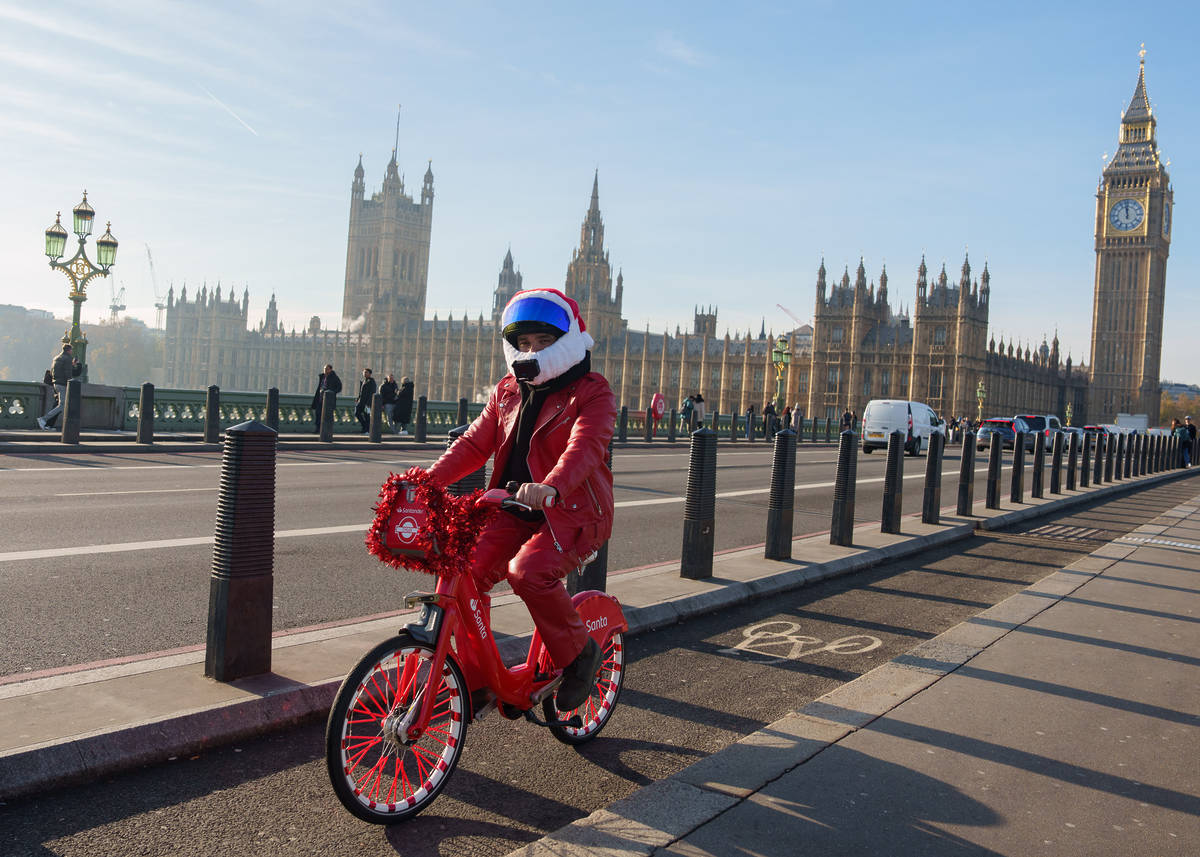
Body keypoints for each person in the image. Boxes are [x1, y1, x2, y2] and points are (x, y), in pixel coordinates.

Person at [426, 288, 615, 712]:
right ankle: (479, 680)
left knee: (527, 571)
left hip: (573, 510)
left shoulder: (592, 391)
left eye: (543, 343)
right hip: (516, 507)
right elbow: (474, 443)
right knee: (466, 571)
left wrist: (551, 485)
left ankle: (579, 655)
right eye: (524, 343)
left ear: (566, 342)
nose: (532, 351)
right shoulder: (508, 390)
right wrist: (426, 480)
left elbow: (584, 447)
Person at [37, 343, 78, 430]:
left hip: (55, 383)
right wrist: (71, 382)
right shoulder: (67, 359)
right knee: (62, 405)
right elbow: (67, 373)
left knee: (58, 404)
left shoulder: (56, 358)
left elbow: (52, 371)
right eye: (71, 350)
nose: (72, 352)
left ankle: (48, 425)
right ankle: (43, 419)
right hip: (63, 384)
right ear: (69, 350)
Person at [311, 364, 343, 432]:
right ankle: (318, 428)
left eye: (327, 369)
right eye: (324, 368)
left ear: (330, 369)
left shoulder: (334, 377)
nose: (325, 370)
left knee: (327, 415)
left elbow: (339, 387)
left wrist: (332, 393)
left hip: (328, 400)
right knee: (318, 413)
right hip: (320, 398)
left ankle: (326, 430)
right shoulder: (322, 376)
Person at [355, 368, 377, 433]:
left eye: (366, 372)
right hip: (361, 401)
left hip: (367, 402)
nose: (364, 373)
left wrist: (368, 403)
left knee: (367, 416)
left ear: (370, 374)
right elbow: (361, 392)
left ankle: (367, 430)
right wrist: (358, 398)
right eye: (364, 372)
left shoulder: (372, 382)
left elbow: (372, 393)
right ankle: (365, 426)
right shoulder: (363, 381)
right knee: (357, 413)